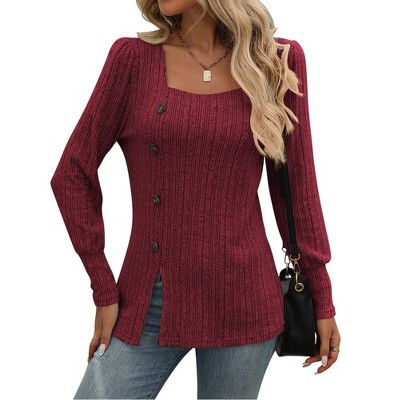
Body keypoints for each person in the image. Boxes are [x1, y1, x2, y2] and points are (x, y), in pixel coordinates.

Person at [50, 0, 341, 398]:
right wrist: (103, 287)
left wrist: (322, 297)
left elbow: (298, 187)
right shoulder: (132, 60)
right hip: (148, 301)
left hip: (245, 302)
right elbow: (71, 174)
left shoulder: (275, 62)